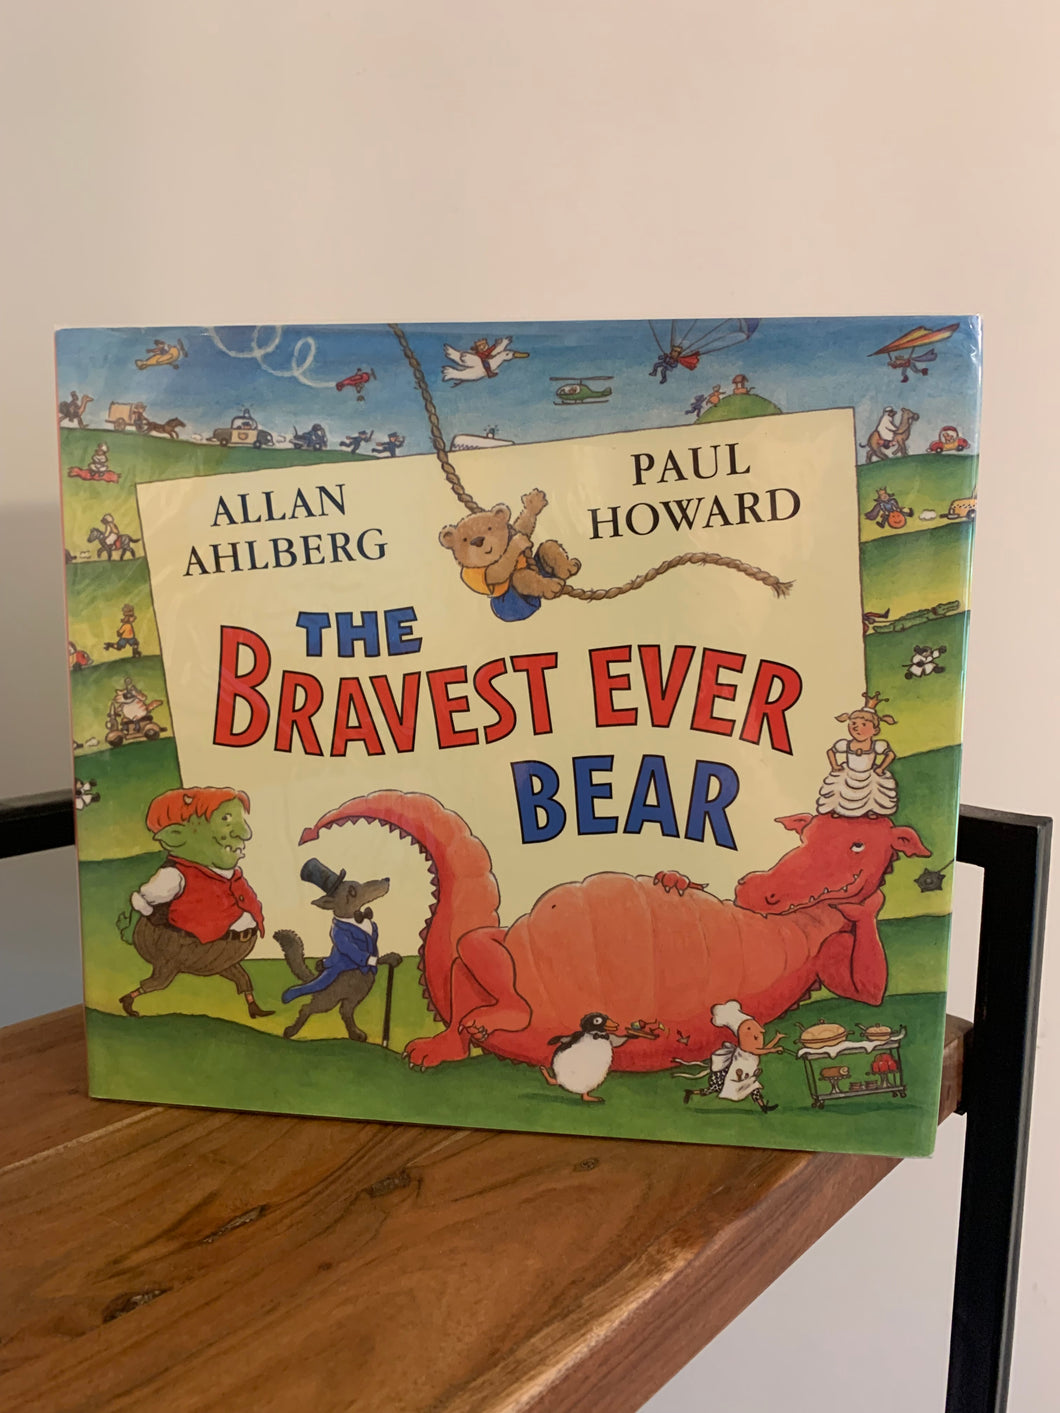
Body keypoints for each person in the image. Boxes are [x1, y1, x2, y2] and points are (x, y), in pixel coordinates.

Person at [816, 692, 898, 817]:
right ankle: (839, 809)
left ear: (875, 730)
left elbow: (890, 755)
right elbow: (831, 751)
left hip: (869, 775)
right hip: (849, 774)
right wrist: (835, 766)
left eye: (863, 725)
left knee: (875, 792)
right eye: (853, 724)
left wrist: (881, 768)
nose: (856, 728)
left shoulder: (877, 745)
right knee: (839, 789)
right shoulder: (846, 744)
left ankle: (872, 810)